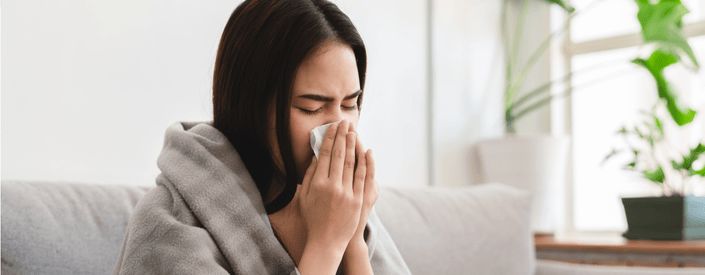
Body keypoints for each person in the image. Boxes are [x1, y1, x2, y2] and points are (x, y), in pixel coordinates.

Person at [112, 0, 411, 274]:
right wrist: (326, 246)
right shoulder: (169, 223)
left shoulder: (337, 203)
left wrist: (354, 243)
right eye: (312, 107)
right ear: (252, 108)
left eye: (350, 104)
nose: (339, 129)